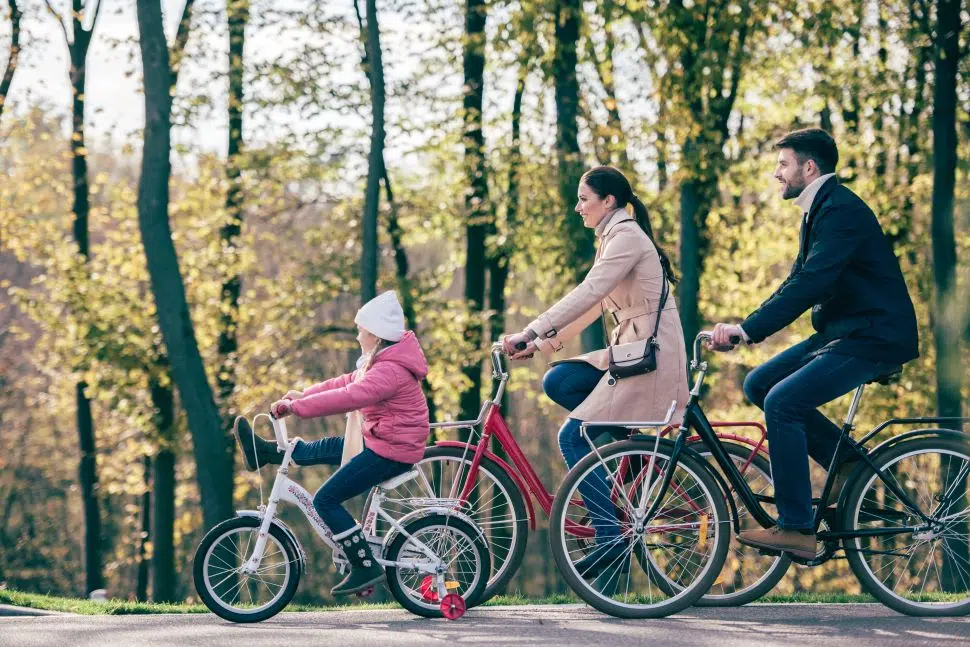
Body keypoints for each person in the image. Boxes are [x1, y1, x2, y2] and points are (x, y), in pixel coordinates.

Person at [710, 128, 919, 559]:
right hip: (845, 332)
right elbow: (796, 281)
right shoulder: (820, 209)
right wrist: (746, 327)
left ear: (809, 167)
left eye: (783, 165)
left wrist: (747, 330)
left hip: (873, 335)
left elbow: (812, 282)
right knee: (759, 385)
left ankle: (796, 528)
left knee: (782, 403)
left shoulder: (839, 210)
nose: (776, 174)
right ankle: (847, 464)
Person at [503, 166, 689, 578]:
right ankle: (628, 455)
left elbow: (589, 291)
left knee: (573, 434)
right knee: (559, 379)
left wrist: (531, 328)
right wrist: (541, 344)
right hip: (634, 354)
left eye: (583, 198)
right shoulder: (613, 237)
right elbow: (593, 306)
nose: (577, 207)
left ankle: (609, 532)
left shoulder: (625, 236)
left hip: (650, 360)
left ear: (608, 201)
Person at [233, 290, 431, 595]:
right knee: (326, 447)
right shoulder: (379, 361)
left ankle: (364, 564)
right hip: (384, 439)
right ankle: (268, 452)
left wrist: (296, 409)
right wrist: (304, 394)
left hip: (391, 450)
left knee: (325, 500)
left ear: (376, 335)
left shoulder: (388, 370)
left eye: (361, 330)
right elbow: (345, 382)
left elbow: (350, 396)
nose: (357, 335)